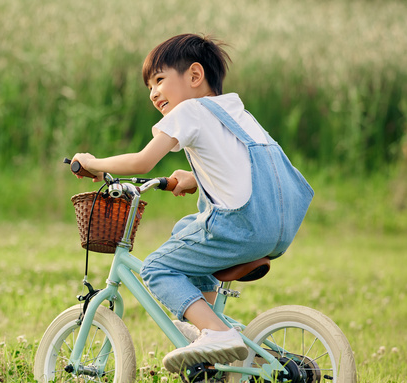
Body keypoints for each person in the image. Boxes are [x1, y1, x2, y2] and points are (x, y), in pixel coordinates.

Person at [71, 33, 313, 373]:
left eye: (159, 80)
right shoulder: (236, 112)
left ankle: (215, 331)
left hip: (241, 225)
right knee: (187, 228)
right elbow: (245, 168)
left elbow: (142, 162)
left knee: (157, 267)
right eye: (148, 87)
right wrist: (195, 177)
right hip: (277, 224)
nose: (153, 93)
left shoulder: (188, 112)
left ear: (195, 76)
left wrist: (94, 162)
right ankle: (209, 326)